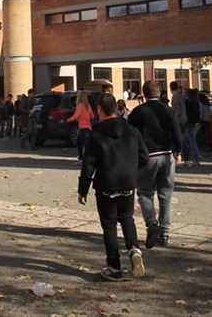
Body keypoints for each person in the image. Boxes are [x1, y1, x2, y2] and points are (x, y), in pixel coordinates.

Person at [78, 93, 149, 281]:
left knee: (109, 226)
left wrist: (83, 189)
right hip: (127, 183)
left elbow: (88, 164)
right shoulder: (132, 130)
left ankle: (114, 267)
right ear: (117, 108)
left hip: (106, 184)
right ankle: (134, 250)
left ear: (99, 109)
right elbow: (144, 157)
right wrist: (131, 169)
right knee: (127, 218)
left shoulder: (96, 133)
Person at [127, 80, 182, 249]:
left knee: (144, 193)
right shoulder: (168, 110)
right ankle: (164, 233)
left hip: (146, 156)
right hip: (166, 154)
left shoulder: (137, 112)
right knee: (166, 195)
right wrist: (178, 151)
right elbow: (177, 133)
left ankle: (151, 223)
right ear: (159, 92)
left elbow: (130, 135)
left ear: (144, 93)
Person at [67, 91, 95, 163]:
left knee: (81, 143)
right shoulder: (88, 106)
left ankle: (82, 158)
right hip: (88, 127)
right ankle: (82, 157)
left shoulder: (80, 105)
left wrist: (70, 119)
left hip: (82, 127)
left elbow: (76, 115)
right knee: (81, 143)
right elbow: (92, 116)